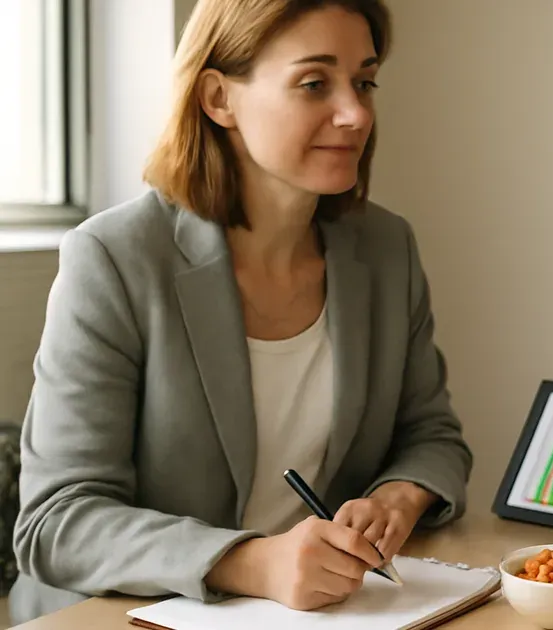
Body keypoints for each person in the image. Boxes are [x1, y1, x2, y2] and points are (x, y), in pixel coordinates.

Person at [10, 0, 472, 624]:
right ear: (218, 98)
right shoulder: (113, 258)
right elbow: (56, 521)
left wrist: (397, 498)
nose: (356, 113)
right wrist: (252, 562)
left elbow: (432, 435)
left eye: (364, 81)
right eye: (315, 83)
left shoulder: (387, 249)